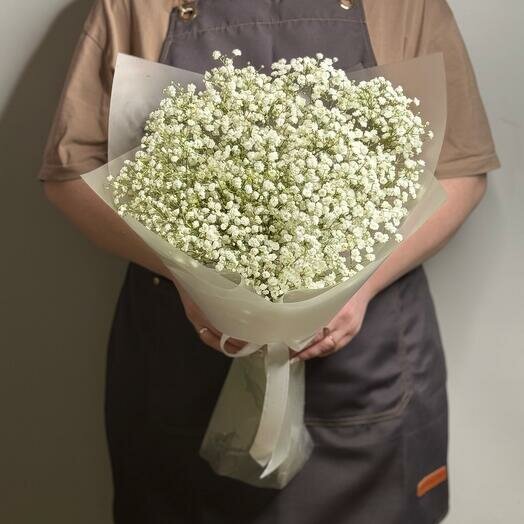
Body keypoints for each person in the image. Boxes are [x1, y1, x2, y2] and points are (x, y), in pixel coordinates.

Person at [38, 1, 500, 522]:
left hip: (362, 371)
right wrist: (191, 280)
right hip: (182, 365)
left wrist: (361, 286)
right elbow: (72, 173)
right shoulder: (136, 4)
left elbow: (461, 171)